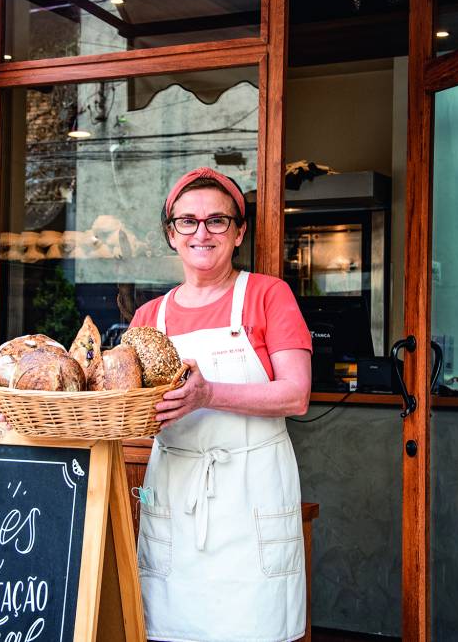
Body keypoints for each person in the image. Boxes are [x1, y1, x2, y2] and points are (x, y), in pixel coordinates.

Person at [130, 167, 312, 642]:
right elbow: (128, 415)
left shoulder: (269, 295)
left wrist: (208, 395)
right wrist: (32, 412)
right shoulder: (150, 317)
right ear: (172, 234)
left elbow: (296, 394)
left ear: (239, 231)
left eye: (217, 221)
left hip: (251, 493)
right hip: (174, 492)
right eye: (187, 222)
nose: (201, 233)